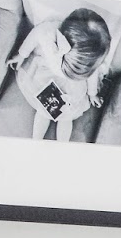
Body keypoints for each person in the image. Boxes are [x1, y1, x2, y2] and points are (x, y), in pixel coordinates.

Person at [10, 8, 112, 143]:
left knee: (67, 117)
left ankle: (62, 145)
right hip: (47, 75)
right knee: (43, 110)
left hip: (73, 88)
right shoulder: (49, 35)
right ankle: (35, 141)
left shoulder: (90, 65)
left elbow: (93, 75)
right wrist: (22, 54)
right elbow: (36, 34)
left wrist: (92, 93)